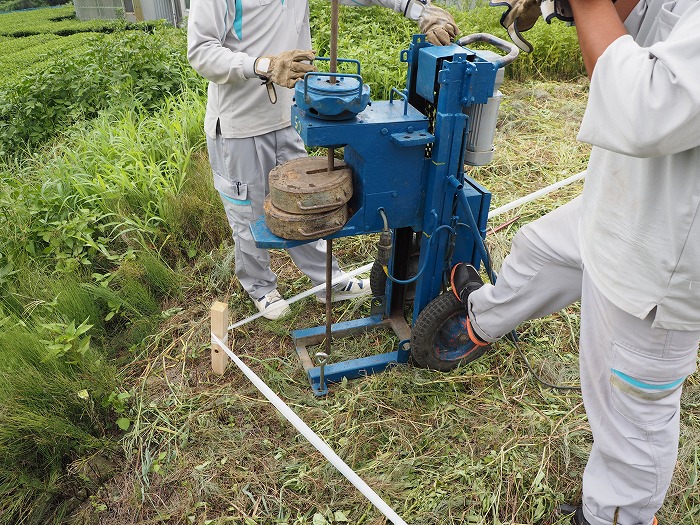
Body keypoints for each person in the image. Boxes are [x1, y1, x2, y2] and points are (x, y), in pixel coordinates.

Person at [452, 0, 700, 524]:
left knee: (630, 411)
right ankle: (478, 323)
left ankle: (618, 514)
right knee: (538, 249)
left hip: (667, 247)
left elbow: (643, 110)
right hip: (622, 195)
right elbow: (645, 28)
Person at [187, 0, 458, 319]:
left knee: (305, 202)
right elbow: (201, 52)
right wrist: (265, 65)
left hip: (288, 113)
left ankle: (327, 282)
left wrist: (419, 10)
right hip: (239, 124)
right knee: (247, 211)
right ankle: (259, 286)